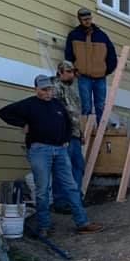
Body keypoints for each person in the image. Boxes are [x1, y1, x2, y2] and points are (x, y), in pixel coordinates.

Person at [0, 74, 103, 238]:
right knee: (43, 190)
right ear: (36, 89)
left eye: (50, 89)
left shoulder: (57, 105)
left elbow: (68, 123)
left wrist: (66, 140)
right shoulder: (29, 104)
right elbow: (3, 112)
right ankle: (44, 227)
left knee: (71, 187)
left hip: (60, 150)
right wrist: (23, 124)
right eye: (44, 90)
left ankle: (83, 223)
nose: (48, 93)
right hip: (40, 150)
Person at [65, 7, 117, 119]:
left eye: (89, 18)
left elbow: (111, 55)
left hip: (100, 77)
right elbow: (68, 55)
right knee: (86, 106)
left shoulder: (102, 36)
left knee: (100, 106)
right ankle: (86, 132)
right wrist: (74, 71)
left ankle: (99, 130)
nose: (87, 21)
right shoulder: (74, 35)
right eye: (84, 19)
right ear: (79, 20)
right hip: (83, 76)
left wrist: (106, 70)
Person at [52, 59, 86, 211]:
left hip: (75, 134)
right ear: (60, 72)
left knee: (78, 167)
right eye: (69, 71)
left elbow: (76, 115)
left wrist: (81, 132)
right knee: (63, 169)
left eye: (73, 71)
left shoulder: (71, 90)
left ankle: (75, 199)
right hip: (63, 136)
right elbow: (57, 113)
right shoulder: (54, 88)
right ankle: (62, 202)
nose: (72, 75)